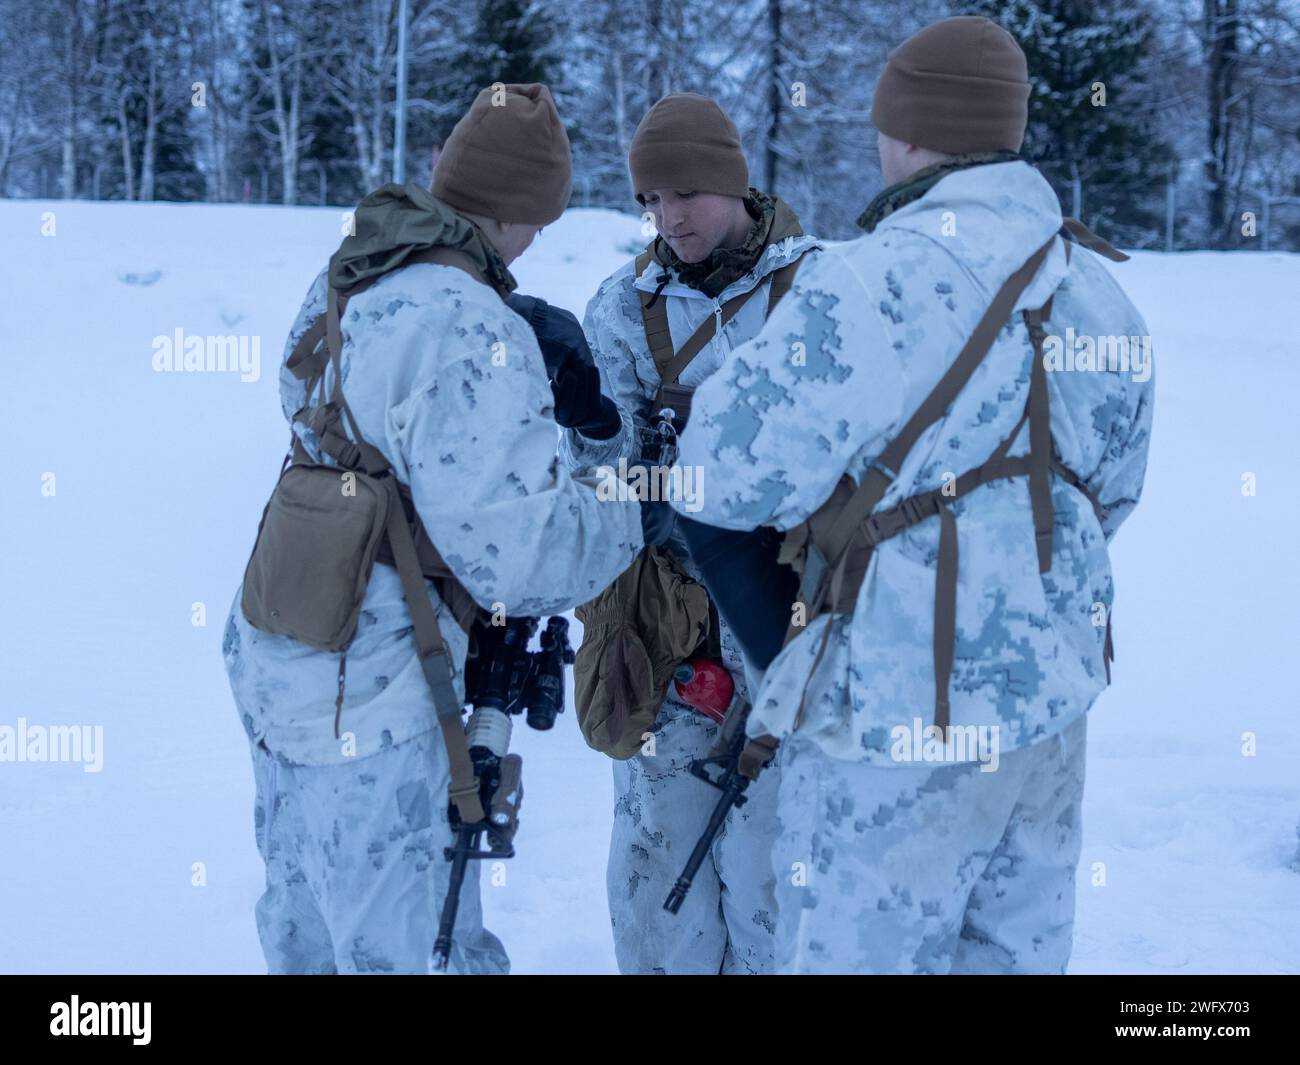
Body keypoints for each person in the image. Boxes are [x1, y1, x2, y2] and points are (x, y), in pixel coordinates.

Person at [671, 17, 1155, 974]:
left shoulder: (863, 284)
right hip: (1048, 715)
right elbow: (1114, 499)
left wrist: (785, 659)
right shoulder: (1105, 298)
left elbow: (712, 477)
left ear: (908, 133)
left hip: (890, 725)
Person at [223, 83, 643, 975]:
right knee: (416, 948)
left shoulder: (353, 271)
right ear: (526, 207)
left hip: (282, 652)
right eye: (541, 216)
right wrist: (629, 500)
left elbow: (322, 416)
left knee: (306, 934)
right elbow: (522, 556)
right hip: (378, 689)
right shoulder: (469, 324)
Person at [560, 92, 820, 974]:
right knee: (655, 871)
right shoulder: (622, 308)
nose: (668, 219)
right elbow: (606, 477)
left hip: (791, 626)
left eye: (687, 195)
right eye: (649, 200)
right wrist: (594, 431)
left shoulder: (821, 291)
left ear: (736, 185)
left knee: (773, 875)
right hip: (667, 625)